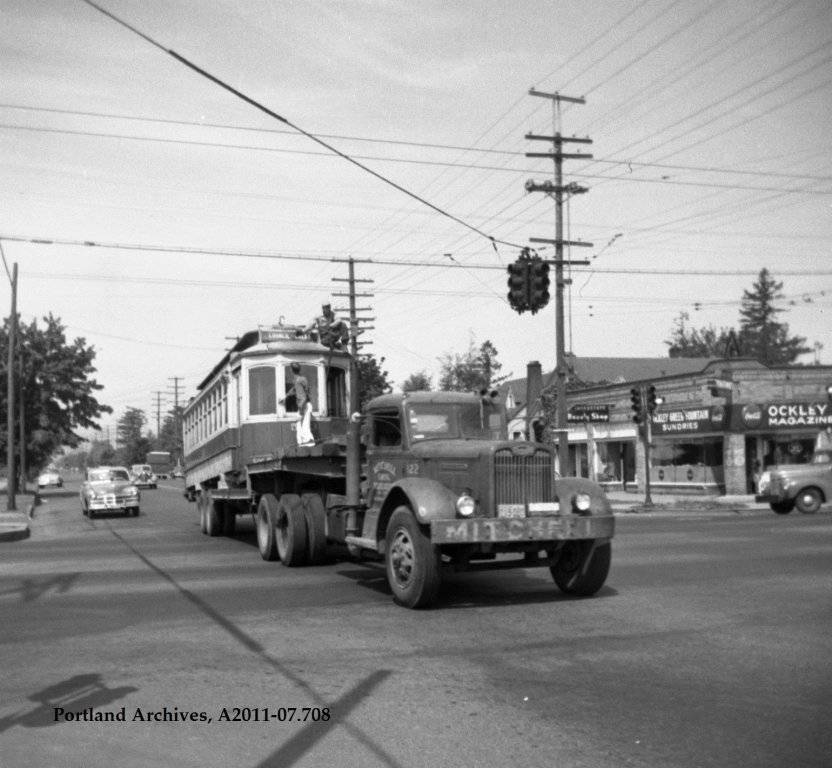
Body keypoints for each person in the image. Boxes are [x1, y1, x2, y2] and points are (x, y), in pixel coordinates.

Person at [281, 362, 314, 447]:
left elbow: (303, 397)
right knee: (299, 423)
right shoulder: (299, 380)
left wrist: (300, 408)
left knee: (305, 424)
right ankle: (301, 442)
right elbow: (294, 389)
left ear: (291, 370)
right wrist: (286, 397)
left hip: (304, 405)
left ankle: (309, 441)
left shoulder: (299, 380)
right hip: (304, 405)